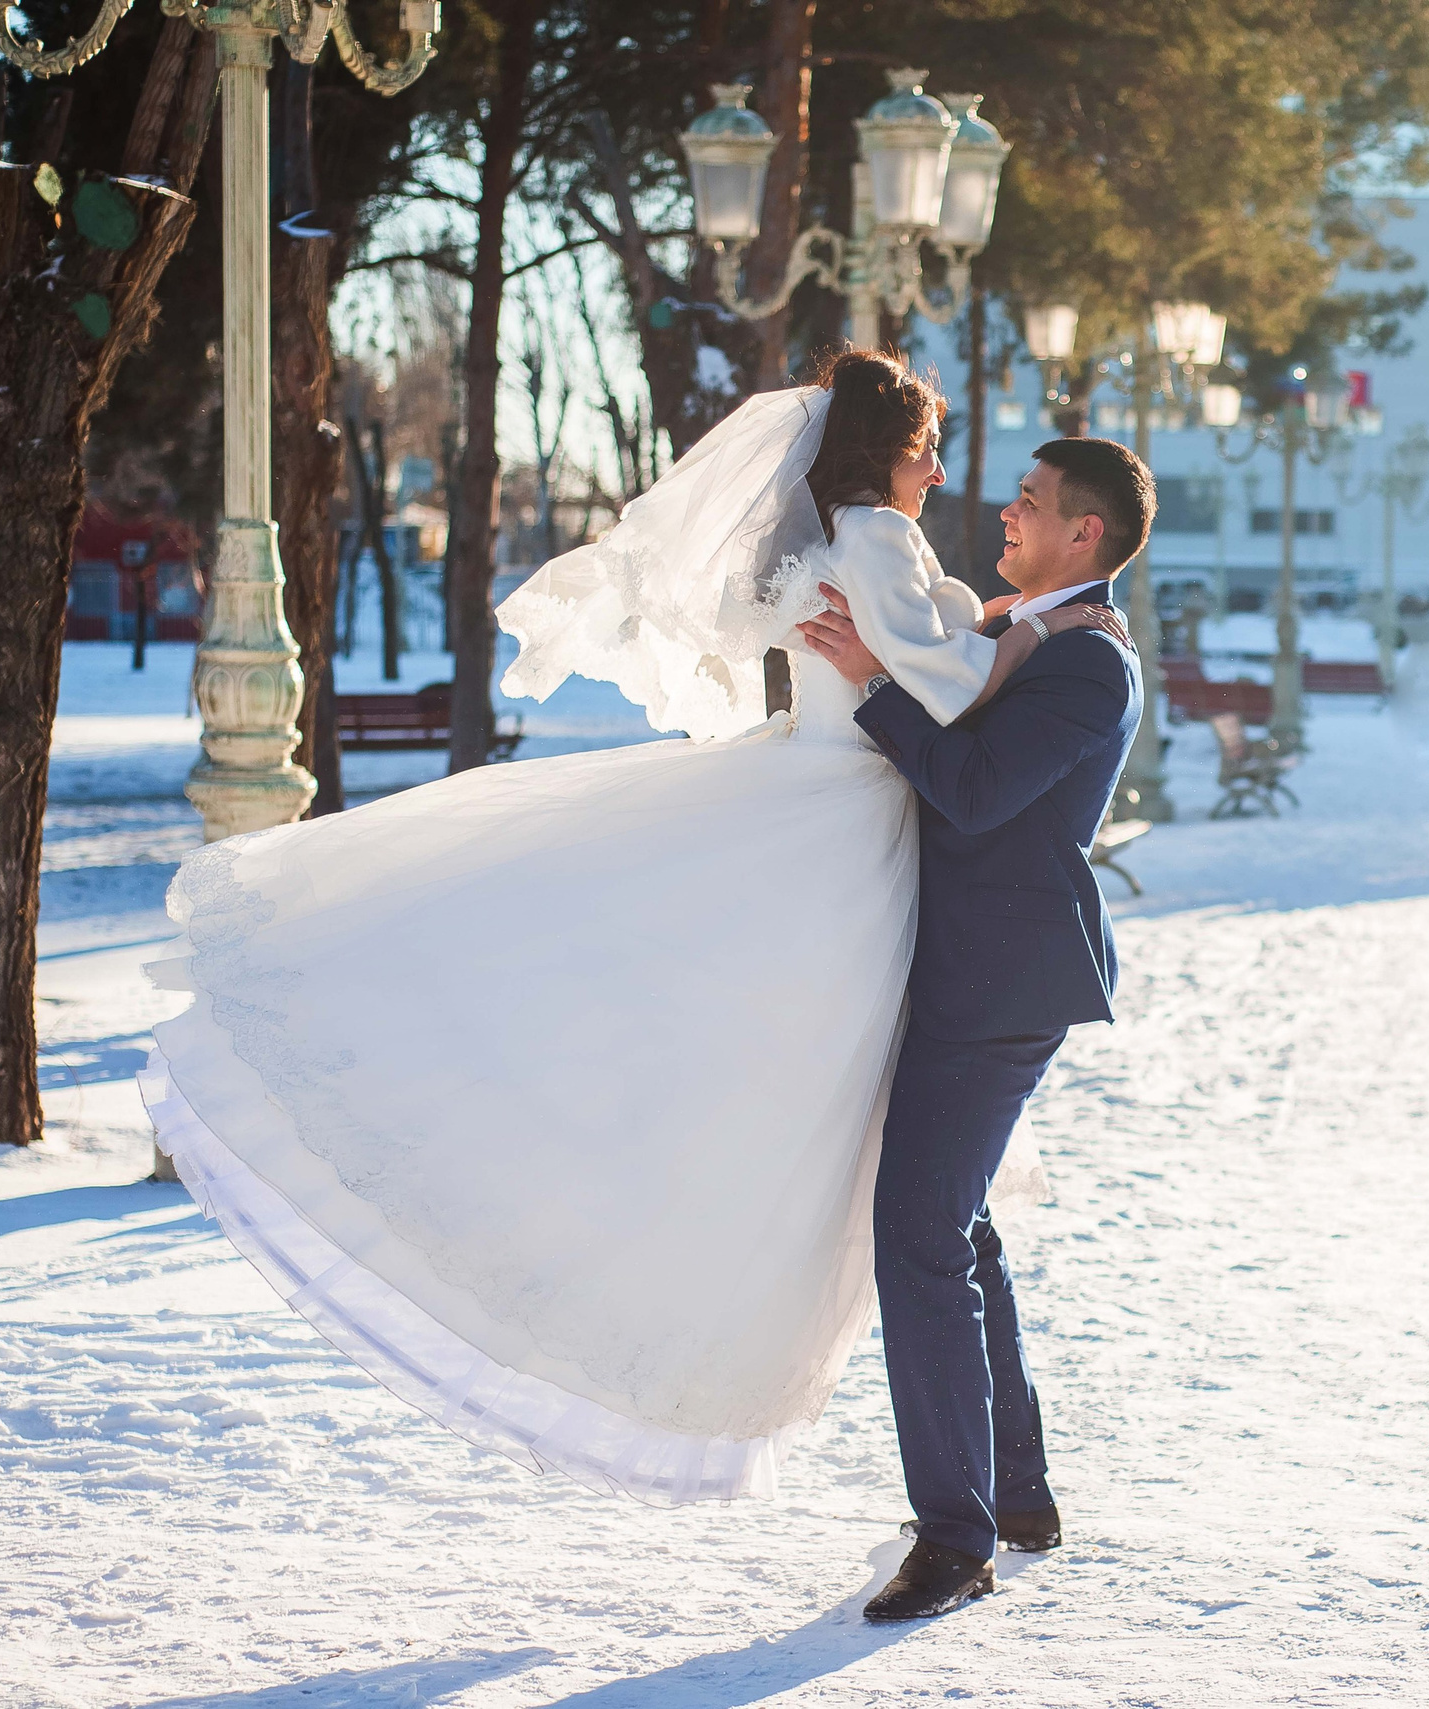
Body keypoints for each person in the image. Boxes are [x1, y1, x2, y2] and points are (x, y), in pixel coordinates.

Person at [139, 349, 1121, 1510]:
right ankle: (991, 1500)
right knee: (915, 1201)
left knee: (915, 1200)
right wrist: (976, 646)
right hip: (852, 833)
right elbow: (949, 692)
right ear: (882, 450)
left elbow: (955, 730)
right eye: (927, 448)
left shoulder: (913, 567)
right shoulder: (888, 544)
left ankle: (997, 1495)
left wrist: (973, 637)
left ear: (1082, 532)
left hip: (887, 868)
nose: (953, 478)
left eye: (1025, 498)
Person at [797, 436, 1151, 1620]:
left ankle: (957, 1539)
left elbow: (977, 790)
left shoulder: (1090, 660)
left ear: (1084, 532)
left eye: (1033, 501)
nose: (1008, 508)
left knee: (919, 1231)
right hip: (958, 968)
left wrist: (873, 686)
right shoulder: (1021, 631)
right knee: (958, 1222)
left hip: (1002, 984)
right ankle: (1015, 1492)